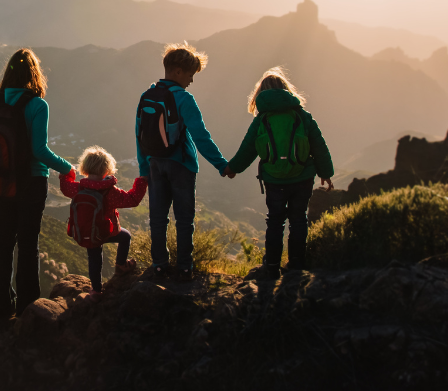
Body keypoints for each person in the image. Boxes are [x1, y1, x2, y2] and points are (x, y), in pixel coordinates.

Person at [0, 48, 73, 323]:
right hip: (30, 181)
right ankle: (27, 309)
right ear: (35, 73)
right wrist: (67, 167)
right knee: (28, 244)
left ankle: (2, 307)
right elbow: (39, 150)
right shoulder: (37, 105)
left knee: (4, 240)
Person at [225, 66, 334, 279]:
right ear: (286, 90)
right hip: (302, 177)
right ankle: (296, 266)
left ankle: (272, 267)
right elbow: (319, 145)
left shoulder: (262, 119)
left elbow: (248, 149)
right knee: (298, 219)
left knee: (275, 221)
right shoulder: (302, 115)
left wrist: (232, 169)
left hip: (274, 179)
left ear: (261, 94)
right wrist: (325, 173)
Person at [136, 42, 229, 282]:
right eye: (190, 74)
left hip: (155, 164)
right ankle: (185, 268)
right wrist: (221, 164)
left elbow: (139, 135)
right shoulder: (184, 99)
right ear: (177, 71)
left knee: (158, 218)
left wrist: (144, 169)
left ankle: (159, 265)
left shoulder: (147, 96)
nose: (191, 80)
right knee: (184, 219)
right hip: (182, 165)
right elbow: (200, 136)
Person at [60, 146, 147, 297]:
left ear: (85, 168)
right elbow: (132, 199)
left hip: (87, 232)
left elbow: (65, 187)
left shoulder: (78, 188)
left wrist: (67, 172)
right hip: (107, 231)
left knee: (94, 259)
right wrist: (142, 181)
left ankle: (96, 291)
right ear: (107, 170)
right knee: (125, 236)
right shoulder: (110, 191)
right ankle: (120, 265)